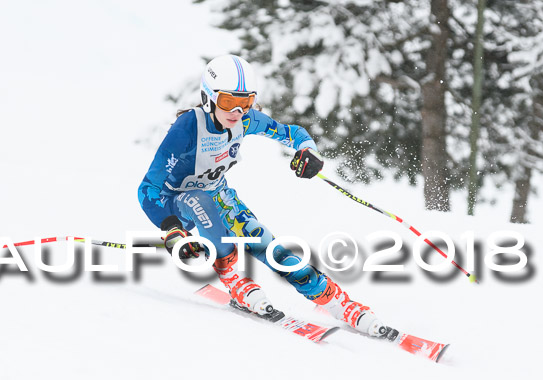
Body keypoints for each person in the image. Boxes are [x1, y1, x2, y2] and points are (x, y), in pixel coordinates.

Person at [138, 54, 395, 340]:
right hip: (180, 201)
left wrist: (307, 150)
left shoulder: (245, 120)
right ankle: (233, 278)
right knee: (200, 199)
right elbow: (149, 190)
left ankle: (337, 302)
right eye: (227, 102)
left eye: (246, 102)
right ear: (208, 97)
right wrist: (172, 227)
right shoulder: (186, 130)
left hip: (220, 196)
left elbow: (292, 133)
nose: (237, 110)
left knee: (269, 246)